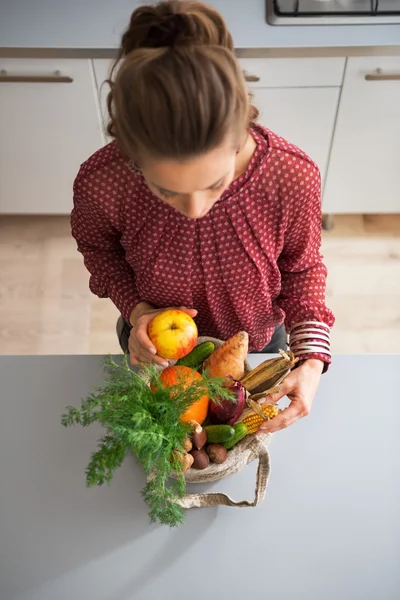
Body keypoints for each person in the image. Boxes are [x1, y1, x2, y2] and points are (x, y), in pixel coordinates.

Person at [71, 0, 335, 434]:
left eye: (215, 184)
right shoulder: (105, 181)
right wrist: (137, 313)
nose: (195, 210)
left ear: (241, 132)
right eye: (166, 191)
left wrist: (311, 360)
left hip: (258, 339)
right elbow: (100, 252)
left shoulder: (289, 175)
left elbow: (301, 268)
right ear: (133, 156)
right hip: (155, 345)